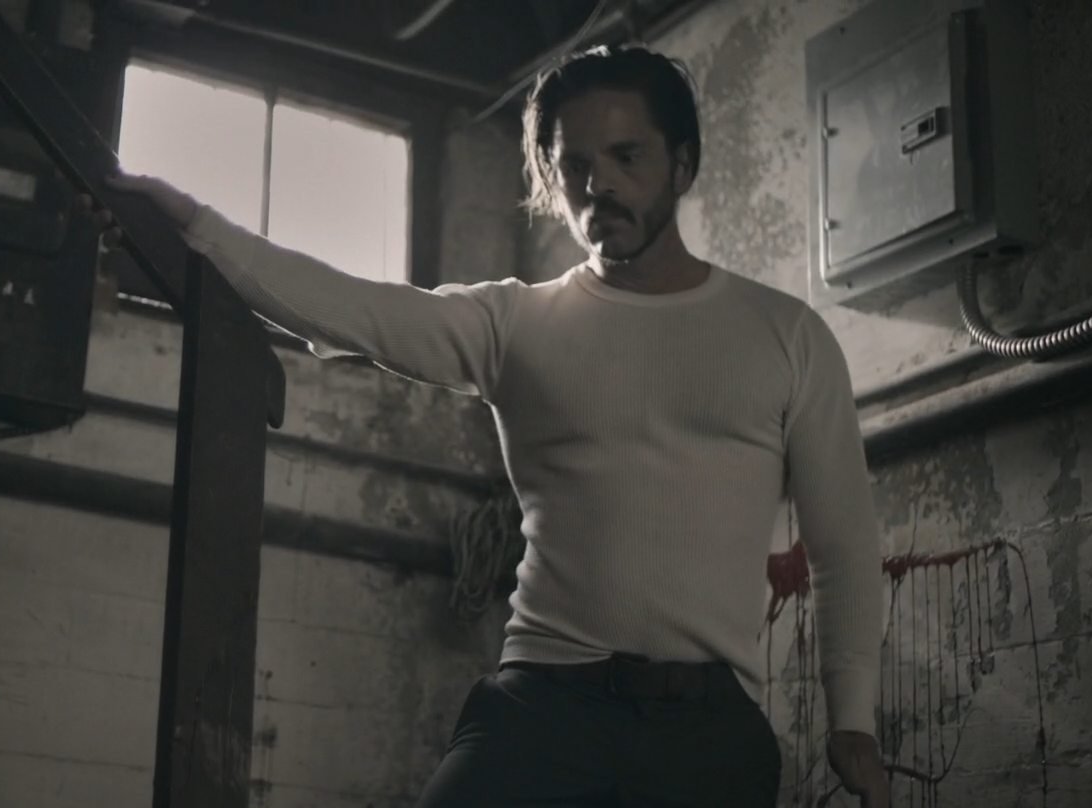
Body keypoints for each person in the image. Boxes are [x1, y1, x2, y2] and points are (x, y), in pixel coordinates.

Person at [87, 44, 890, 808]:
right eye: (574, 165)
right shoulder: (517, 322)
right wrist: (193, 224)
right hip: (543, 706)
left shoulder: (785, 336)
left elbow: (843, 542)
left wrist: (852, 718)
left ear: (682, 165)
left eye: (626, 157)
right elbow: (352, 310)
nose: (598, 185)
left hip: (707, 726)